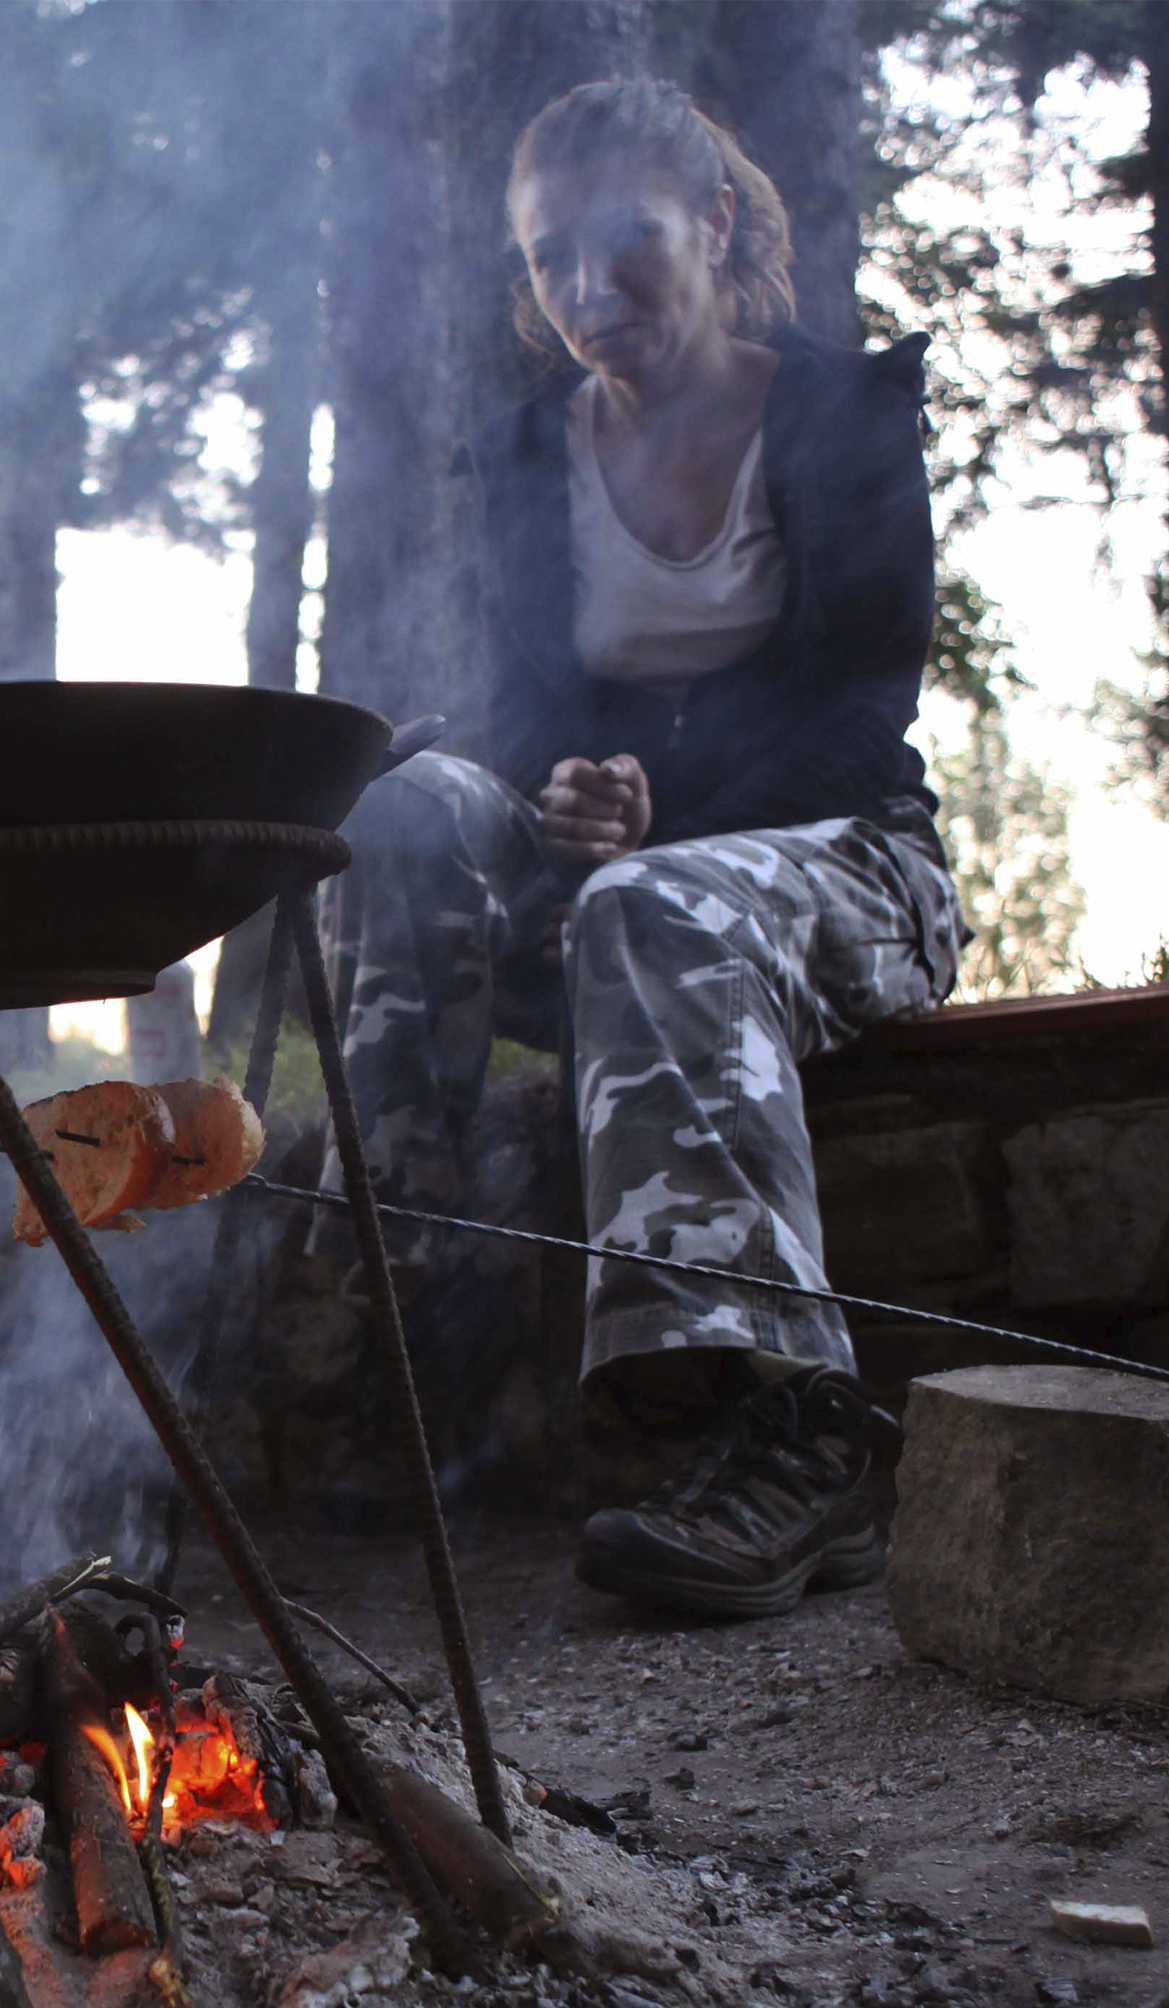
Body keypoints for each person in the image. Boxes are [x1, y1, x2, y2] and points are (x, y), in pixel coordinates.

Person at [316, 79, 961, 1621]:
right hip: (620, 888)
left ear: (715, 226)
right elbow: (534, 709)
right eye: (549, 258)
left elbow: (867, 704)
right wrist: (564, 796)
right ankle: (423, 1337)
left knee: (653, 900)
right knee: (398, 813)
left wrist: (655, 816)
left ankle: (797, 1432)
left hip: (849, 865)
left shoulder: (842, 415)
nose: (588, 288)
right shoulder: (532, 455)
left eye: (626, 241)